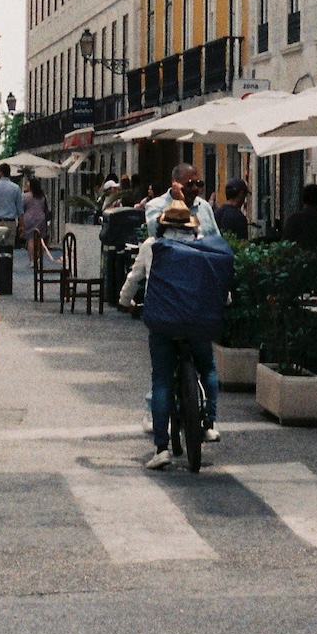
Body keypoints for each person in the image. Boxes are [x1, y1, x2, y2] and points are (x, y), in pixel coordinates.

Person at [117, 199, 220, 469]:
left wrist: (124, 301)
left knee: (161, 381)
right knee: (207, 366)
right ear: (191, 224)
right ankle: (209, 423)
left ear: (162, 224)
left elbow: (133, 279)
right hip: (197, 320)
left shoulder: (152, 246)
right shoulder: (202, 246)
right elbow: (216, 281)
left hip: (163, 322)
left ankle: (162, 448)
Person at [143, 163, 220, 238]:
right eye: (190, 184)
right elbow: (155, 231)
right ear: (175, 183)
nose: (195, 188)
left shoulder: (204, 206)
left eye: (198, 184)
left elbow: (216, 238)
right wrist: (179, 203)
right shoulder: (155, 206)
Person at [0, 164, 24, 251]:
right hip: (10, 222)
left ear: (0, 173)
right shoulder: (16, 188)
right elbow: (20, 209)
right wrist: (21, 225)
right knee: (9, 247)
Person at [20, 180, 51, 268]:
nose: (26, 185)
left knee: (31, 239)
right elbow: (45, 208)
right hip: (41, 218)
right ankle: (39, 258)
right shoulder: (42, 196)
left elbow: (21, 208)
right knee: (40, 239)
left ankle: (32, 260)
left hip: (29, 218)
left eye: (28, 184)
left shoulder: (25, 196)